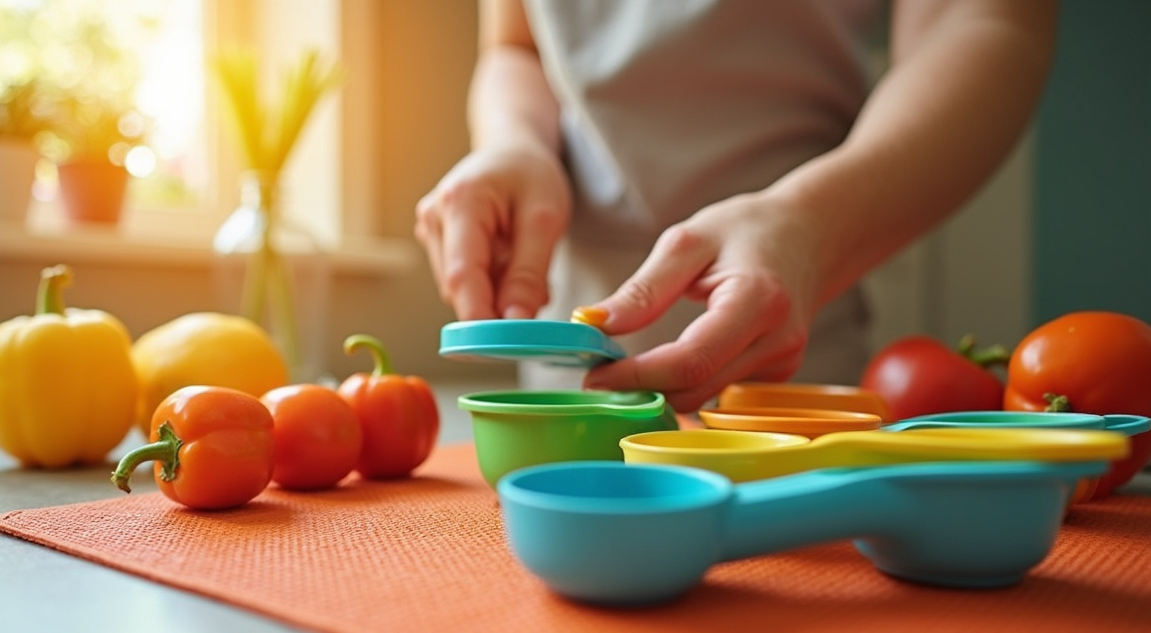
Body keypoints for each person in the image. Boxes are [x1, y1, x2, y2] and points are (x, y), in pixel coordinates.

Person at [414, 0, 1058, 413]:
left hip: (789, 371)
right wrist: (513, 143)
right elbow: (516, 45)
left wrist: (811, 226)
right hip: (561, 368)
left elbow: (978, 18)